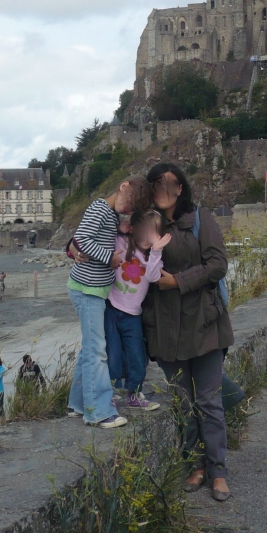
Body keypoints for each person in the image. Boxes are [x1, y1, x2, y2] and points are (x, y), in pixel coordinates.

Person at [143, 162, 233, 502]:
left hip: (204, 324)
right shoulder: (145, 224)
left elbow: (218, 264)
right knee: (183, 403)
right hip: (165, 330)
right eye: (155, 184)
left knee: (209, 401)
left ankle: (218, 471)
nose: (161, 189)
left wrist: (177, 281)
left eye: (167, 183)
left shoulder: (200, 219)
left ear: (180, 188)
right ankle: (195, 466)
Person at [66, 176, 152, 428]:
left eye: (131, 209)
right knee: (96, 352)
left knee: (89, 350)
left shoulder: (110, 215)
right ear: (122, 185)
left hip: (94, 289)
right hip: (87, 289)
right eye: (127, 204)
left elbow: (95, 235)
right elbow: (82, 239)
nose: (127, 210)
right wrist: (109, 258)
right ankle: (99, 412)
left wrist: (120, 229)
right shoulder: (100, 208)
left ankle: (78, 403)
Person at [105, 210, 170, 410]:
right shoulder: (122, 243)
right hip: (112, 306)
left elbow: (152, 277)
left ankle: (134, 393)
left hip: (133, 313)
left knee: (136, 355)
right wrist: (118, 227)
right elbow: (101, 235)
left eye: (153, 231)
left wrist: (157, 250)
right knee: (112, 355)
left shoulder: (154, 257)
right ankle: (111, 395)